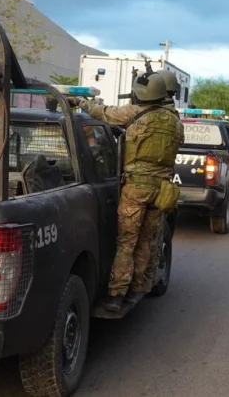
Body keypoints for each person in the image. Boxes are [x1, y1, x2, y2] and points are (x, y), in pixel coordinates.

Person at [69, 72, 183, 312]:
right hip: (162, 190)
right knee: (147, 242)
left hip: (135, 189)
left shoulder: (135, 113)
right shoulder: (175, 121)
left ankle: (117, 294)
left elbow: (102, 113)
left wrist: (80, 102)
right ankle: (136, 289)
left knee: (127, 243)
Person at [140, 69, 182, 292]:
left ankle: (135, 285)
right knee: (153, 236)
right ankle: (148, 280)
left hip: (139, 185)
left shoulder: (142, 114)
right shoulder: (174, 119)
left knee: (134, 239)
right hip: (163, 185)